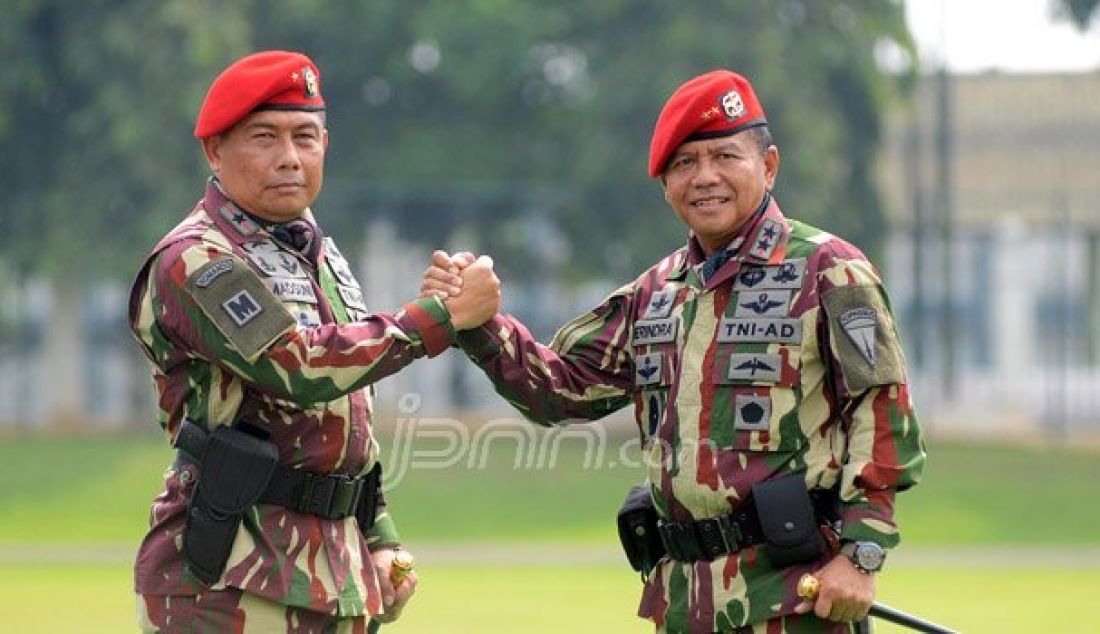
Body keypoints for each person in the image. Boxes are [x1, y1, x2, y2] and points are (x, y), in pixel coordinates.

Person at [423, 69, 925, 633]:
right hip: (685, 603)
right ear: (665, 184)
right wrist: (479, 321)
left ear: (769, 165)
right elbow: (559, 389)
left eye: (724, 156)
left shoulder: (830, 270)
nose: (704, 177)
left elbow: (881, 414)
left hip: (794, 600)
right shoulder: (653, 293)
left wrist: (862, 554)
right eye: (684, 164)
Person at [127, 50, 499, 632]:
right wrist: (439, 317)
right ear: (214, 150)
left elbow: (348, 411)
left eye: (306, 136)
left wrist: (380, 535)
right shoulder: (197, 258)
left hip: (335, 576)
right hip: (227, 580)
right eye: (264, 137)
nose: (290, 158)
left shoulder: (317, 254)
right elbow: (297, 366)